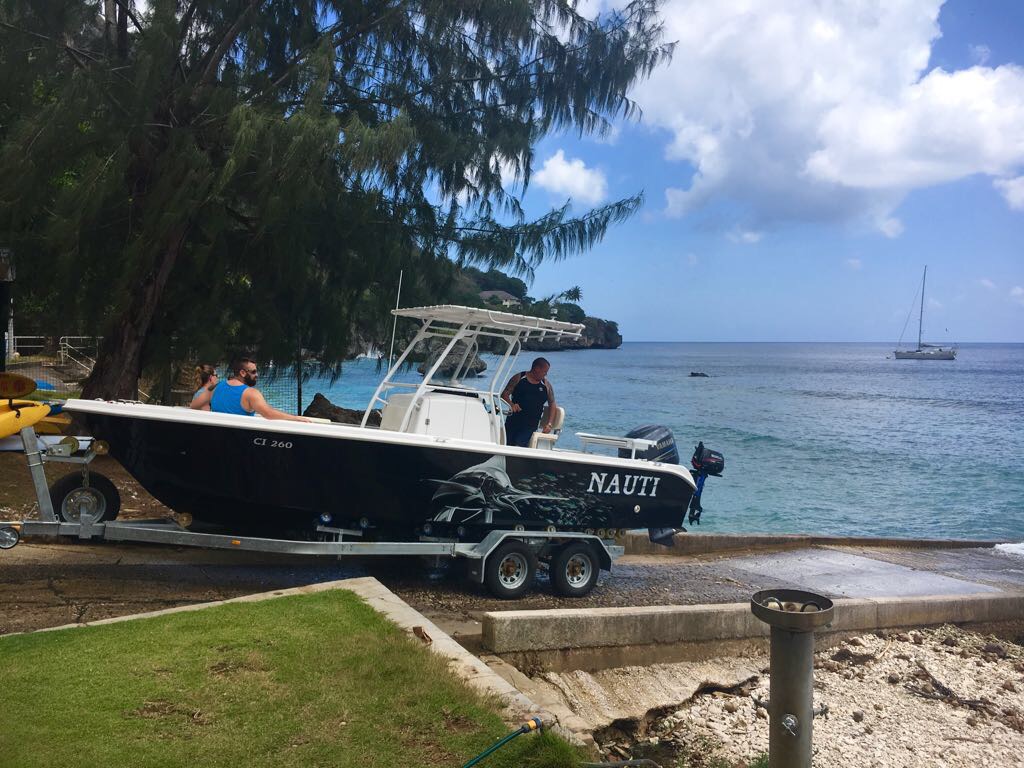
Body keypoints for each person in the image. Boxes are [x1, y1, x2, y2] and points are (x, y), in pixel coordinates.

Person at [207, 357, 311, 422]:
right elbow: (268, 414)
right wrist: (296, 418)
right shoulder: (251, 393)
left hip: (218, 437)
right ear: (242, 373)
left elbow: (196, 404)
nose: (257, 375)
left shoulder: (217, 387)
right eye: (253, 372)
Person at [500, 357, 556, 447]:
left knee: (519, 445)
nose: (546, 374)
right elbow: (504, 394)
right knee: (508, 445)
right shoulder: (519, 378)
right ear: (537, 369)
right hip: (513, 420)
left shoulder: (546, 385)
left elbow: (552, 403)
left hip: (531, 425)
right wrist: (511, 404)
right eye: (545, 371)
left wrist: (549, 424)